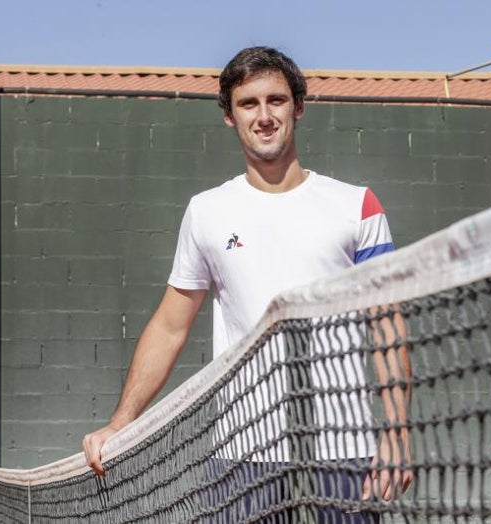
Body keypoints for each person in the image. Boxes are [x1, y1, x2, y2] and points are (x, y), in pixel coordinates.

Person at [82, 46, 412, 522]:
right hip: (243, 453)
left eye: (276, 100)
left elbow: (387, 325)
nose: (264, 116)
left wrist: (397, 431)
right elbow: (171, 327)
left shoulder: (357, 205)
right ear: (229, 116)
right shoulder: (206, 212)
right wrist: (121, 422)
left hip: (344, 449)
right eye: (248, 103)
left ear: (297, 107)